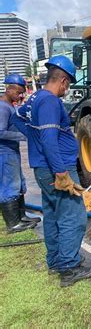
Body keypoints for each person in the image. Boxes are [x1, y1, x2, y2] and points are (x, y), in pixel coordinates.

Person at [13, 55, 91, 287]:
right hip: (56, 168)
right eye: (68, 84)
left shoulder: (34, 99)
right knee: (73, 216)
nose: (67, 88)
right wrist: (61, 173)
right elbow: (50, 139)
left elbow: (16, 117)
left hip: (42, 168)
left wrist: (35, 139)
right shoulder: (51, 101)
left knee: (52, 214)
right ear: (62, 81)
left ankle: (56, 262)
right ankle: (69, 269)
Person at [0, 73, 40, 233]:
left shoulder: (10, 106)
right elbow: (0, 132)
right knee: (9, 186)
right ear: (8, 89)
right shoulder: (3, 107)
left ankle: (21, 216)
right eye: (17, 92)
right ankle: (13, 223)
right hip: (4, 153)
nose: (20, 95)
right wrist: (23, 136)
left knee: (18, 184)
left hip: (12, 151)